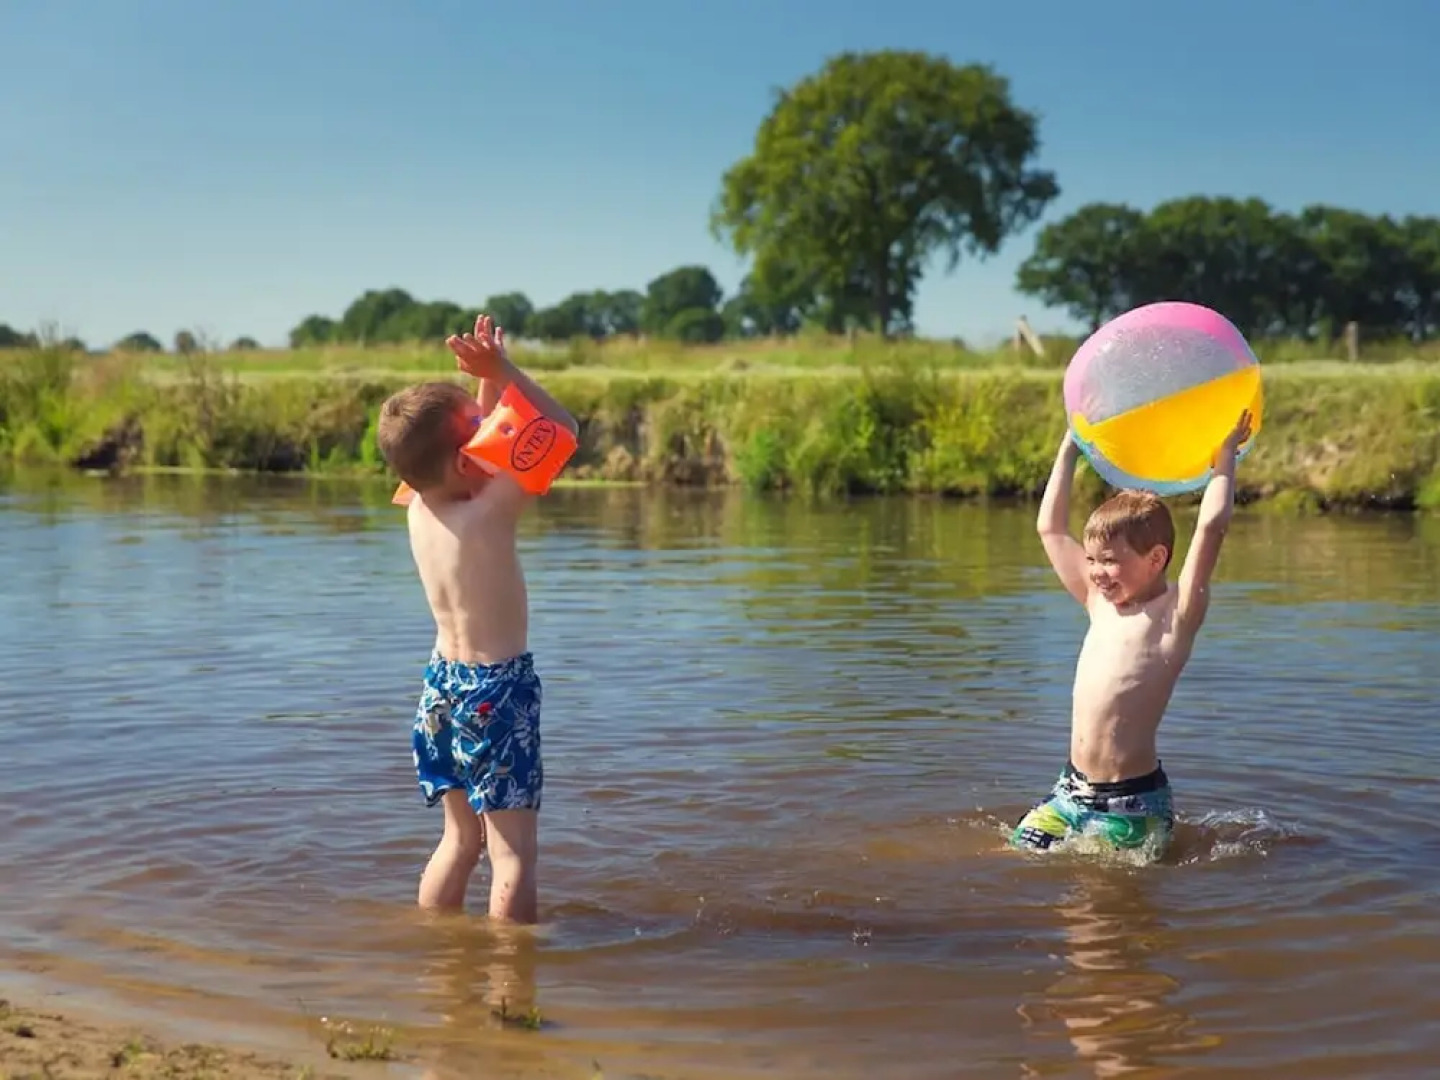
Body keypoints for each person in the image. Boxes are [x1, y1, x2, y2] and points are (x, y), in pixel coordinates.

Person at [376, 314, 578, 922]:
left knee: (462, 842)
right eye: (479, 427)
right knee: (514, 857)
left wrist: (484, 382)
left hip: (441, 690)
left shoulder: (417, 504)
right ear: (469, 462)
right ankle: (510, 990)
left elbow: (467, 450)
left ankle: (441, 961)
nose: (493, 426)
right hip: (498, 692)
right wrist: (506, 372)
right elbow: (562, 430)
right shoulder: (490, 511)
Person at [1011, 410, 1254, 858]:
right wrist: (1071, 447)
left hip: (1132, 802)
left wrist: (1224, 458)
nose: (1097, 573)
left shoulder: (1176, 615)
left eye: (1109, 560)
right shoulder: (1098, 602)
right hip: (1069, 794)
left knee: (1106, 909)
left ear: (1156, 557)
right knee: (1014, 859)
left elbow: (1212, 527)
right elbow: (1049, 527)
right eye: (1092, 560)